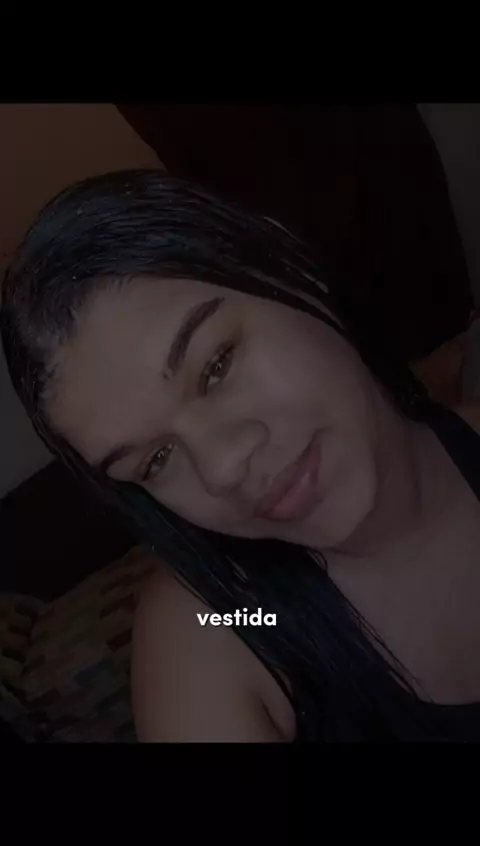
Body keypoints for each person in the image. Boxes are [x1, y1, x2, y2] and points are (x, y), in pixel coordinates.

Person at [2, 169, 480, 743]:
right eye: (156, 460)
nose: (223, 468)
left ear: (290, 268)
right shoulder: (229, 622)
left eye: (216, 366)